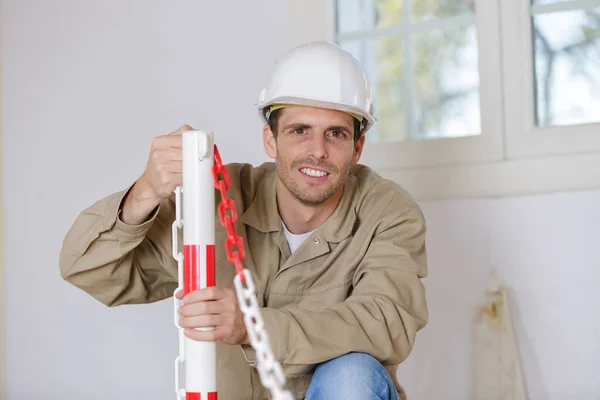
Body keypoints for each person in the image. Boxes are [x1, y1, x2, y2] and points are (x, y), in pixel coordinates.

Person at [59, 41, 429, 400]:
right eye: (299, 131)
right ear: (270, 140)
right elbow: (87, 269)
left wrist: (253, 326)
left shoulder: (388, 211)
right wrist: (147, 191)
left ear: (357, 148)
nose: (317, 150)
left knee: (352, 377)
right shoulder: (215, 199)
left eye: (336, 134)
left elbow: (387, 323)